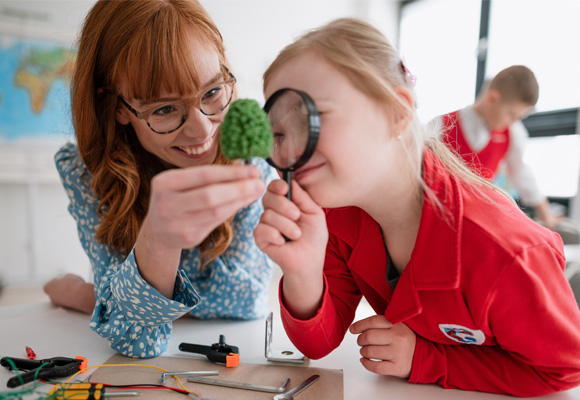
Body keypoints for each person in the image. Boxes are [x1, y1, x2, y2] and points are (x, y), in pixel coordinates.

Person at [254, 18, 580, 396]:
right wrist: (302, 271)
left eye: (313, 117)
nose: (293, 150)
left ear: (395, 112)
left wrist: (427, 359)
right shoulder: (337, 213)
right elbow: (318, 344)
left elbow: (564, 370)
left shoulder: (506, 253)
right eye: (278, 134)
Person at [42, 0, 275, 358]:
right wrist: (160, 243)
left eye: (212, 92)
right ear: (117, 107)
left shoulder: (249, 157)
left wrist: (95, 297)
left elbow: (249, 301)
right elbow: (137, 341)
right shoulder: (86, 172)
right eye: (164, 109)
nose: (202, 130)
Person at [433, 65, 561, 229]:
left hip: (481, 220)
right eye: (512, 115)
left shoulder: (513, 133)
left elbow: (521, 173)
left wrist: (545, 213)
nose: (514, 122)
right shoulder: (440, 127)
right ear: (492, 98)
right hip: (444, 217)